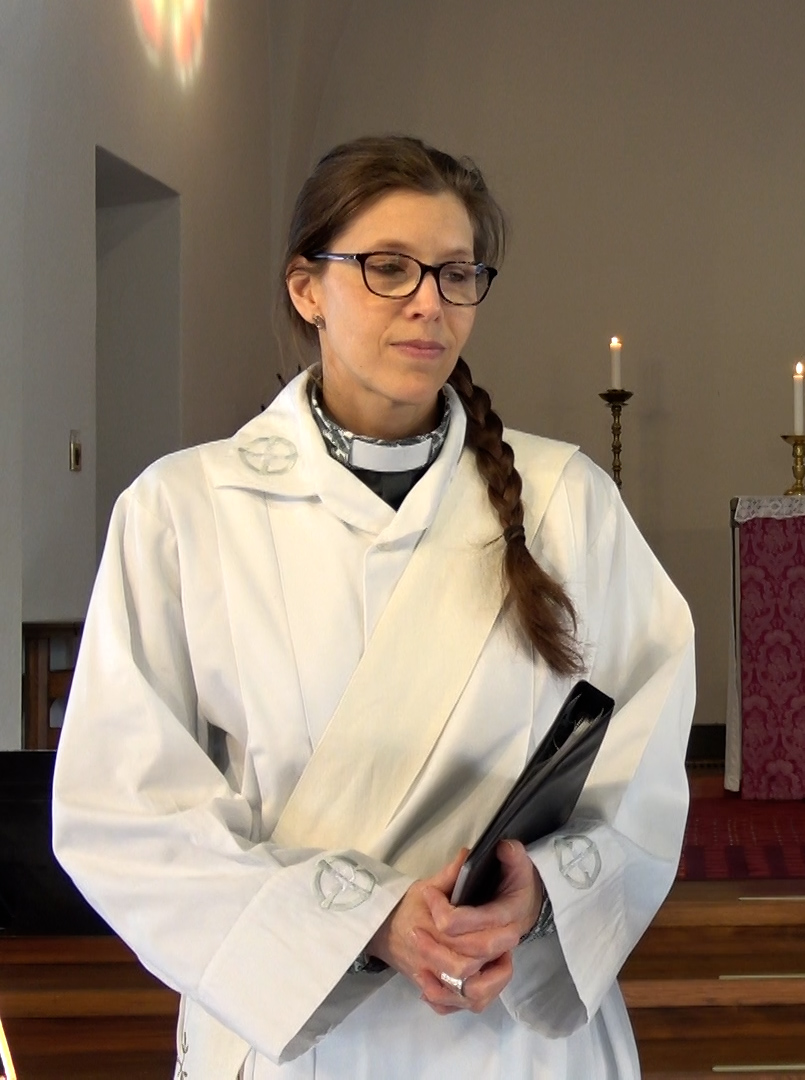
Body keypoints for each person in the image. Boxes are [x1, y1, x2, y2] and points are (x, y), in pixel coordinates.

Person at [51, 135, 696, 1079]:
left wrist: (542, 896)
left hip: (508, 1035)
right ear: (306, 288)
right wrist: (367, 921)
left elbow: (645, 760)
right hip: (300, 1034)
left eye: (456, 273)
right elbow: (124, 809)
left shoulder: (566, 503)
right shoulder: (185, 511)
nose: (428, 302)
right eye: (388, 268)